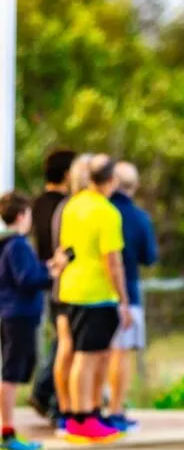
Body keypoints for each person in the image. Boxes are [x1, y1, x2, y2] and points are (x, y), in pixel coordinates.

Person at [56, 154, 130, 443]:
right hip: (95, 293)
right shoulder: (107, 212)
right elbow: (112, 261)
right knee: (88, 358)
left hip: (71, 288)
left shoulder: (72, 205)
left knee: (89, 355)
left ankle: (89, 411)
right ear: (111, 180)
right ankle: (82, 416)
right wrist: (122, 298)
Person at [0, 192, 66, 450]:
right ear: (21, 216)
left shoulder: (8, 246)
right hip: (18, 315)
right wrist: (54, 273)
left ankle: (7, 429)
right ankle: (7, 432)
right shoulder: (17, 245)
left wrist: (48, 266)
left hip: (10, 313)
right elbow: (27, 279)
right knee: (11, 373)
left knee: (14, 370)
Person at [105, 161, 158, 432]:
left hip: (95, 292)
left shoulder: (99, 211)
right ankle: (115, 409)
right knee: (120, 354)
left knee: (95, 354)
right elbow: (149, 257)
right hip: (126, 294)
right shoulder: (138, 218)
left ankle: (87, 409)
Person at [28, 148, 75, 422]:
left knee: (60, 340)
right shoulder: (66, 207)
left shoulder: (35, 205)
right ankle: (50, 394)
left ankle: (46, 391)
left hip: (44, 279)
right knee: (65, 343)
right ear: (68, 174)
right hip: (64, 281)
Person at [50, 154, 93, 431]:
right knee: (71, 350)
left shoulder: (68, 207)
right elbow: (67, 250)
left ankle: (68, 409)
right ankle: (69, 410)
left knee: (69, 349)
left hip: (68, 288)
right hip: (71, 290)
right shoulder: (75, 209)